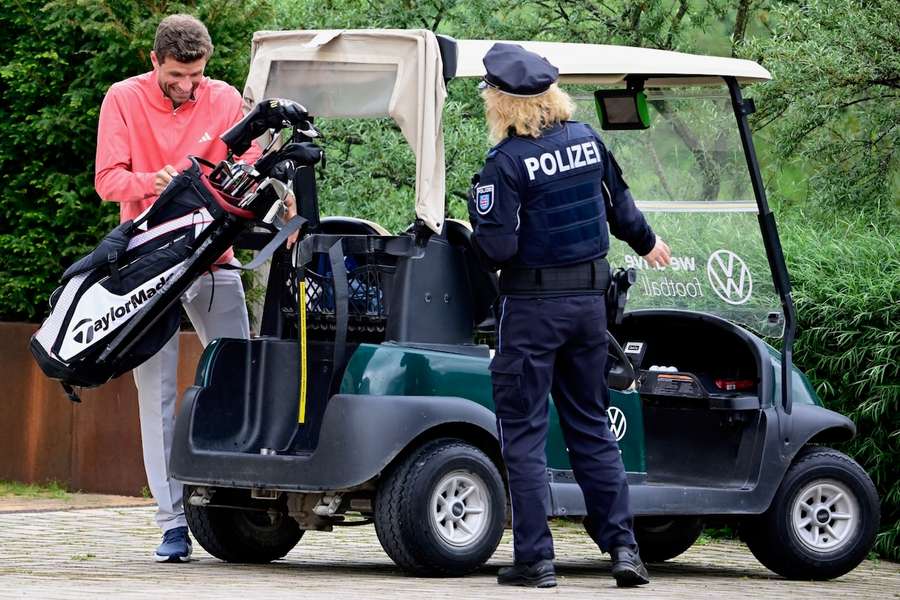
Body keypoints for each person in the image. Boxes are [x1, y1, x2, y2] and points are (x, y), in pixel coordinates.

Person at [468, 43, 672, 588]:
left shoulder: (505, 163)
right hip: (588, 309)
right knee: (592, 427)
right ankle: (624, 550)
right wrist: (649, 243)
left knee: (525, 436)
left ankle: (535, 560)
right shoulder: (587, 142)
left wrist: (473, 220)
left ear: (502, 103)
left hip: (533, 312)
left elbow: (499, 249)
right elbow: (622, 208)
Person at [94, 14, 260, 563]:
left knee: (241, 375)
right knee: (157, 395)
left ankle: (239, 504)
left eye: (196, 75)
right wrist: (154, 180)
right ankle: (171, 523)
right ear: (154, 61)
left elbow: (251, 166)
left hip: (215, 259)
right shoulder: (122, 97)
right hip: (146, 265)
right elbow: (107, 180)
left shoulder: (226, 97)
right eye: (175, 76)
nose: (187, 86)